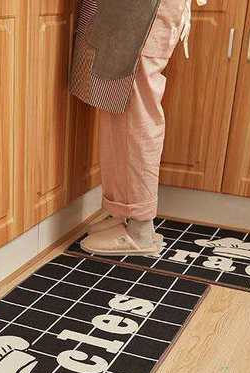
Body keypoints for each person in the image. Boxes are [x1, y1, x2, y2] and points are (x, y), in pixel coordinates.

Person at [71, 0, 206, 256]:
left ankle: (141, 229)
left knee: (138, 114)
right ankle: (122, 212)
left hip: (145, 11)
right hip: (134, 10)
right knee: (118, 106)